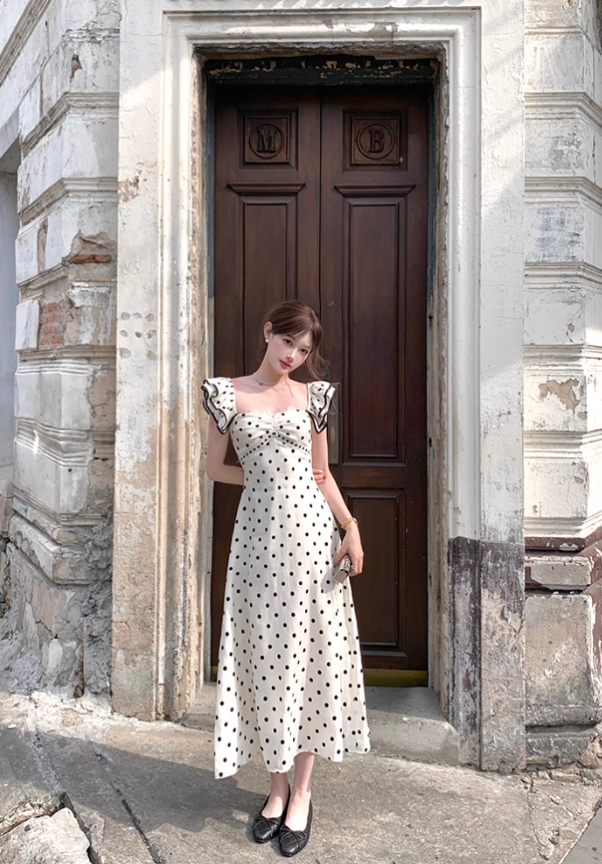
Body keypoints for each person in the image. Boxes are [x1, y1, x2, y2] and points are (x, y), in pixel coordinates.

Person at [201, 300, 370, 857]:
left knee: (310, 657)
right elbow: (214, 468)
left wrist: (350, 528)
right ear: (268, 332)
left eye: (303, 349)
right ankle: (275, 790)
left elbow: (323, 475)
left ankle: (302, 793)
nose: (293, 356)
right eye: (287, 342)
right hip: (258, 545)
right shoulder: (226, 394)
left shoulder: (314, 397)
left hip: (313, 544)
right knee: (266, 657)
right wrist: (263, 477)